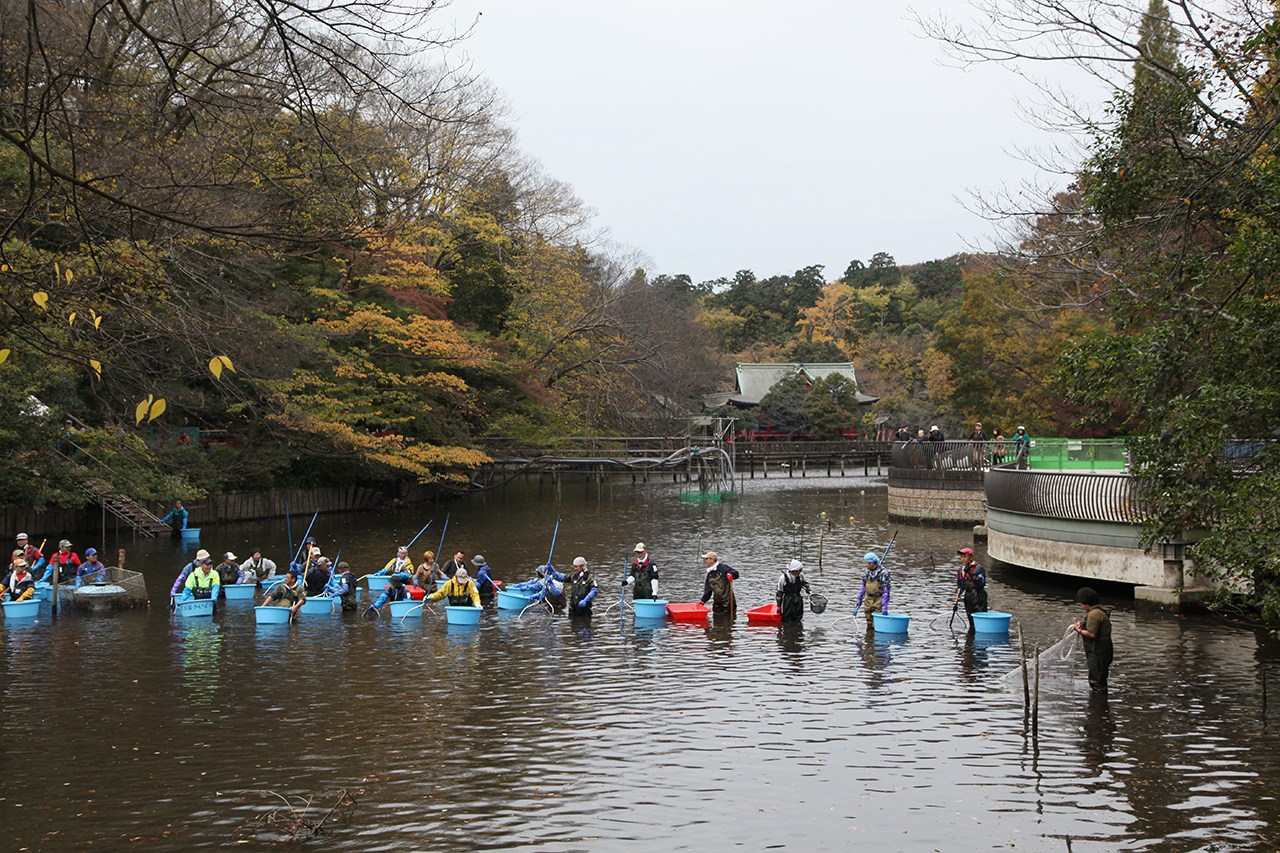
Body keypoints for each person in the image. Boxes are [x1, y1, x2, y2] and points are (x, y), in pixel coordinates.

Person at [1073, 587, 1113, 694]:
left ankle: (1097, 706)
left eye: (1082, 604)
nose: (1082, 607)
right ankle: (1100, 705)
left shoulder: (1093, 614)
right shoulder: (1099, 611)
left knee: (1097, 682)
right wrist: (1082, 625)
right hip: (1104, 651)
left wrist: (1078, 630)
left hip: (1098, 652)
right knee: (1101, 678)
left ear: (1087, 603)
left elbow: (1092, 634)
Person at [853, 552, 891, 627]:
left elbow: (886, 591)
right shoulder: (866, 572)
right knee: (869, 621)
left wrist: (884, 606)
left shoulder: (884, 573)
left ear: (872, 563)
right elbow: (863, 586)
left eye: (866, 563)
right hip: (868, 599)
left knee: (877, 623)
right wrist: (859, 598)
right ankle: (869, 636)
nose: (865, 565)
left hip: (878, 600)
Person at [955, 547, 989, 626]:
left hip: (979, 597)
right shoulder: (961, 570)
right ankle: (971, 635)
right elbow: (960, 585)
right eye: (962, 557)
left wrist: (970, 572)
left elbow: (981, 583)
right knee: (971, 620)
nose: (963, 559)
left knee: (981, 620)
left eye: (965, 556)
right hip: (968, 597)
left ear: (971, 558)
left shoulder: (979, 568)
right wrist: (958, 596)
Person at [776, 558, 811, 623]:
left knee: (798, 617)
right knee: (787, 618)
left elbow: (804, 583)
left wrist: (807, 588)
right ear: (793, 570)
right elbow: (779, 592)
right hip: (788, 600)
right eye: (799, 570)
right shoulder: (783, 578)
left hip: (798, 599)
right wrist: (779, 606)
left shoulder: (801, 575)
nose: (800, 572)